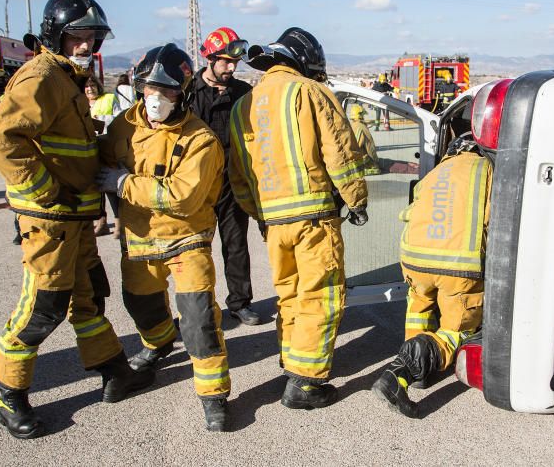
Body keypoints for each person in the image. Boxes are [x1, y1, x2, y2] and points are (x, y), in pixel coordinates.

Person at [0, 0, 153, 440]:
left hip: (74, 221)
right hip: (51, 222)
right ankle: (9, 395)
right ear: (56, 35)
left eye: (93, 38)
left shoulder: (67, 79)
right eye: (78, 36)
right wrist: (44, 190)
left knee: (89, 300)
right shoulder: (41, 76)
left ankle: (114, 371)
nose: (86, 45)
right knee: (43, 308)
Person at [232, 27, 370, 409]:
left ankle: (292, 361)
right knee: (320, 295)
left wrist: (259, 213)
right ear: (303, 62)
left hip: (272, 222)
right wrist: (356, 200)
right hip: (314, 217)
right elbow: (340, 153)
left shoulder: (243, 104)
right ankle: (307, 384)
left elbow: (239, 174)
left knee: (289, 294)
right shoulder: (310, 92)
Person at [96, 43, 232, 431]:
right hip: (138, 242)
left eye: (167, 90)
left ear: (183, 93)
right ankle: (157, 347)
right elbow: (102, 160)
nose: (156, 97)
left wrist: (123, 183)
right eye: (150, 88)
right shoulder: (122, 126)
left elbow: (184, 198)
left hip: (186, 240)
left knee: (198, 320)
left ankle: (214, 396)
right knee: (141, 307)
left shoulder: (200, 139)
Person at [371, 136, 491, 417]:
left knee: (418, 308)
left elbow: (412, 210)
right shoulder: (489, 169)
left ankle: (419, 375)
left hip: (415, 259)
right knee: (456, 332)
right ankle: (399, 374)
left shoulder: (436, 172)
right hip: (458, 267)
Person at [189, 26, 260, 326]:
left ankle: (240, 303)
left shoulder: (243, 93)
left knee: (236, 246)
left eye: (235, 63)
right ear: (210, 58)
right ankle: (198, 309)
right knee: (194, 251)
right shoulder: (188, 92)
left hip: (232, 184)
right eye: (225, 62)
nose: (231, 68)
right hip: (197, 187)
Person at [84, 73, 116, 236]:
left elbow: (120, 118)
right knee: (92, 188)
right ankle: (99, 220)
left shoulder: (109, 99)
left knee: (108, 185)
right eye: (87, 86)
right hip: (86, 149)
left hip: (105, 147)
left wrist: (101, 119)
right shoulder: (79, 102)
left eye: (93, 85)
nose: (90, 89)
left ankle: (117, 221)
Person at [347, 104, 381, 175]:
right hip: (364, 163)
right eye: (363, 115)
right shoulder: (362, 128)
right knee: (391, 164)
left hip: (354, 161)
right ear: (360, 115)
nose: (364, 117)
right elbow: (371, 148)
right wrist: (376, 162)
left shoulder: (352, 125)